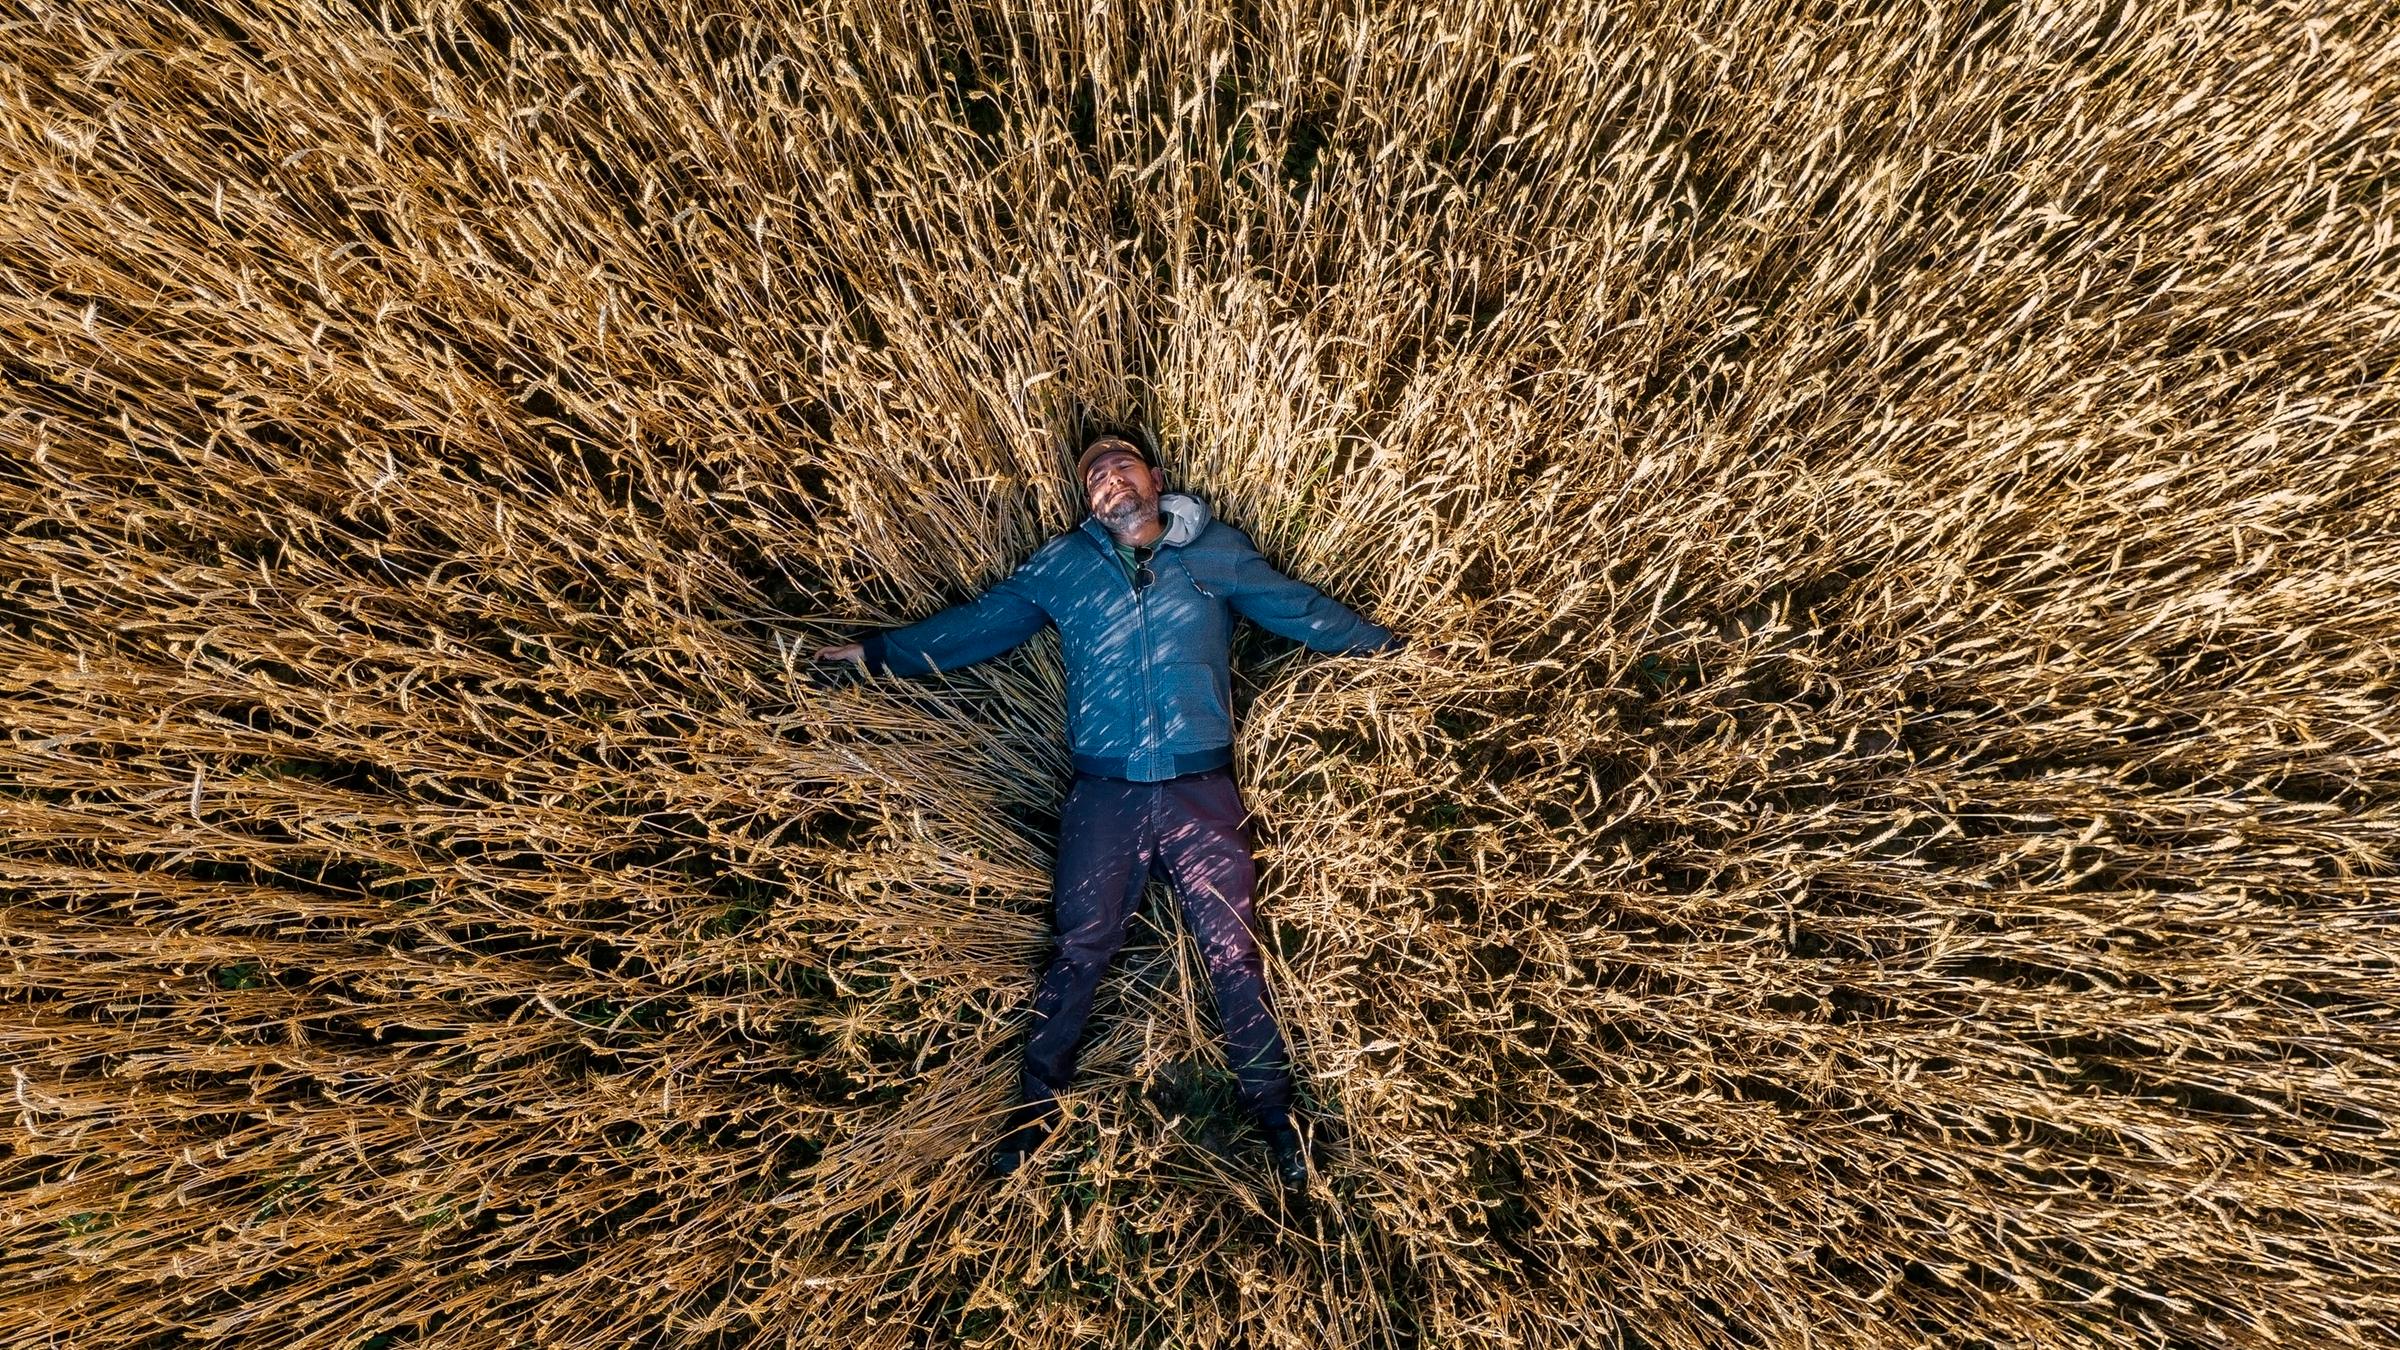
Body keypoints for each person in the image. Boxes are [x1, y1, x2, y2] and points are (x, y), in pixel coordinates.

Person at [813, 432, 1404, 1187]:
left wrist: (1388, 649)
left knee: (1234, 954)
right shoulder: (1065, 567)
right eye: (1094, 477)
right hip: (1106, 799)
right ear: (1088, 502)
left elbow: (1301, 611)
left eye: (1121, 465)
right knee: (1077, 950)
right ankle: (1033, 1116)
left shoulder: (1216, 552)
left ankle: (1277, 1120)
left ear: (1156, 479)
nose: (1109, 482)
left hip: (1202, 793)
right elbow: (980, 624)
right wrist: (879, 653)